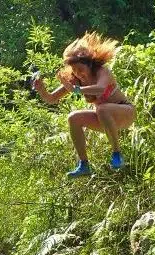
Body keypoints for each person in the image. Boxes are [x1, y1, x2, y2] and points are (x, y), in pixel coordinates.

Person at [33, 32, 136, 177]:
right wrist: (41, 90)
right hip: (105, 119)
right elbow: (51, 99)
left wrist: (76, 90)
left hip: (125, 113)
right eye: (74, 71)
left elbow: (100, 89)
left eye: (80, 69)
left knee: (102, 109)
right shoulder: (76, 80)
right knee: (73, 117)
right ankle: (84, 165)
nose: (78, 74)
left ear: (89, 65)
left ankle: (117, 154)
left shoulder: (102, 71)